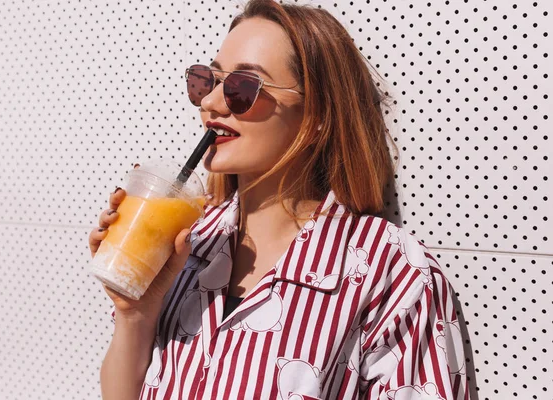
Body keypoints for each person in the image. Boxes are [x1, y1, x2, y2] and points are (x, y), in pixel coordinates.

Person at [88, 0, 468, 399]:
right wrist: (135, 313)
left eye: (242, 88)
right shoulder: (187, 243)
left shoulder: (389, 271)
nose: (210, 103)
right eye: (209, 80)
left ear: (317, 112)